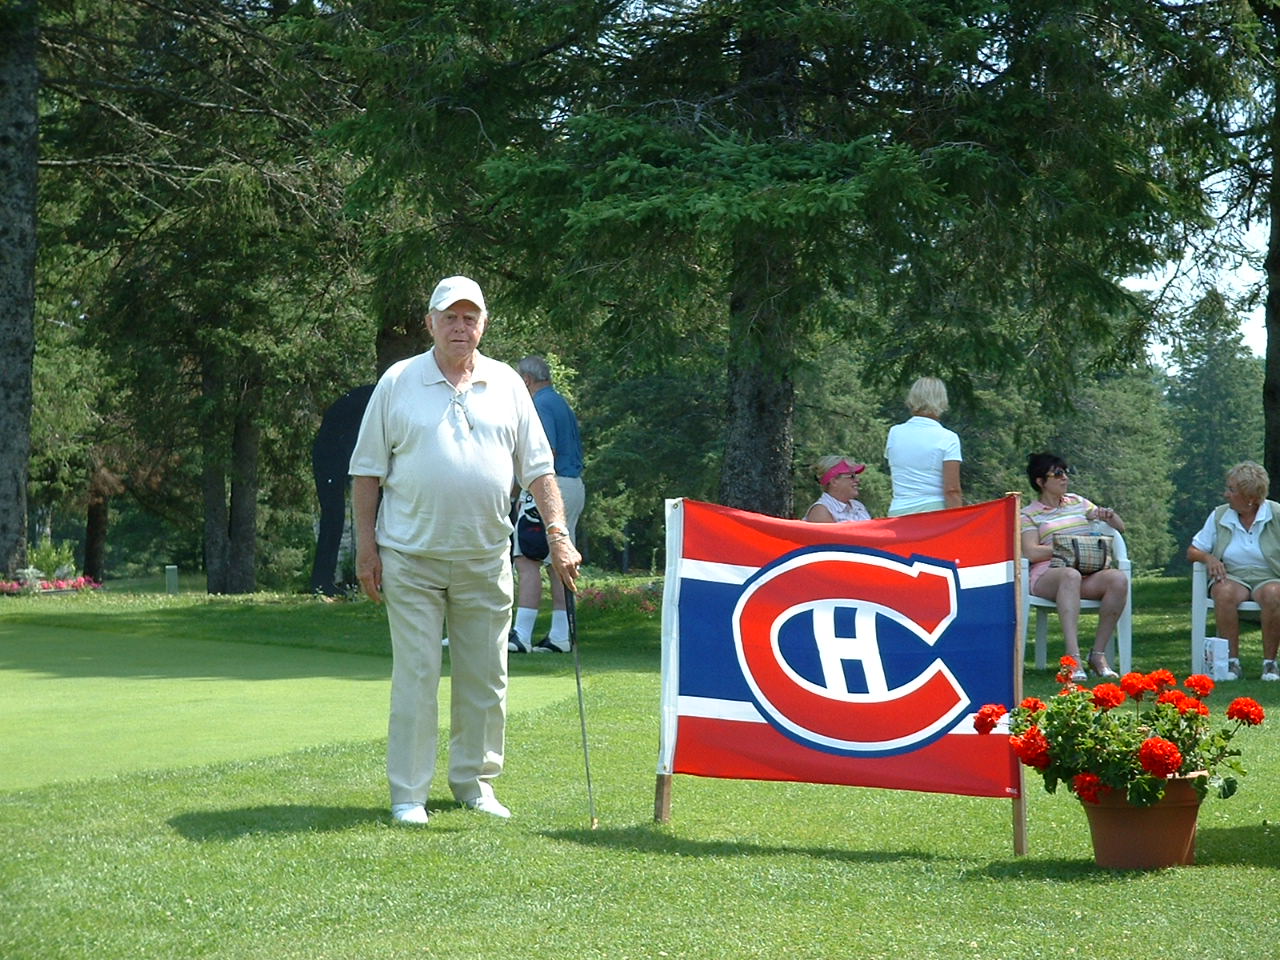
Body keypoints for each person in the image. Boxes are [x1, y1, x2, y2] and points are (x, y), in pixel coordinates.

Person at [349, 276, 582, 826]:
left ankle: (475, 784)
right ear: (430, 323)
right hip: (410, 556)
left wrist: (559, 534)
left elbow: (540, 469)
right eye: (449, 317)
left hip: (484, 556)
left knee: (486, 678)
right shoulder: (398, 381)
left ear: (483, 324)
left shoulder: (507, 384)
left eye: (469, 317)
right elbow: (366, 472)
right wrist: (366, 550)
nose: (460, 327)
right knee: (417, 676)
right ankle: (409, 794)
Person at [1020, 452, 1127, 681]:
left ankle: (1098, 655)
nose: (1065, 478)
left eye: (1066, 473)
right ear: (1040, 481)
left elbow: (1121, 527)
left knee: (1118, 579)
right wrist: (1067, 548)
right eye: (1058, 474)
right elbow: (1030, 552)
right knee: (1070, 575)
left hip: (1085, 573)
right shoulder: (1028, 514)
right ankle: (1072, 658)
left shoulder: (1078, 502)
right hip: (1048, 575)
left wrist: (1108, 516)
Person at [509, 355, 586, 654]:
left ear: (526, 380)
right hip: (573, 484)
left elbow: (543, 454)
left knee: (527, 559)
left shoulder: (538, 405)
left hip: (550, 487)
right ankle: (560, 635)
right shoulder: (560, 403)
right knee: (558, 562)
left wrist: (520, 492)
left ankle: (522, 634)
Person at [1186, 461, 1280, 682]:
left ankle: (1270, 664)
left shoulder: (1276, 514)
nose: (1225, 494)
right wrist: (1209, 558)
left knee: (1274, 594)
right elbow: (1193, 551)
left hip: (1270, 575)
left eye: (1231, 489)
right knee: (1223, 592)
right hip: (1233, 575)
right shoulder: (1219, 515)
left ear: (1250, 497)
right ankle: (1230, 662)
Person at [884, 376, 963, 515]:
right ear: (942, 400)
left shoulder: (894, 432)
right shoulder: (948, 438)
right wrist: (959, 519)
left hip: (899, 510)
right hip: (933, 511)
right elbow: (952, 490)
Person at [803, 456, 871, 523]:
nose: (857, 480)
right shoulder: (821, 511)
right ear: (834, 482)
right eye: (852, 476)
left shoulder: (858, 506)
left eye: (856, 476)